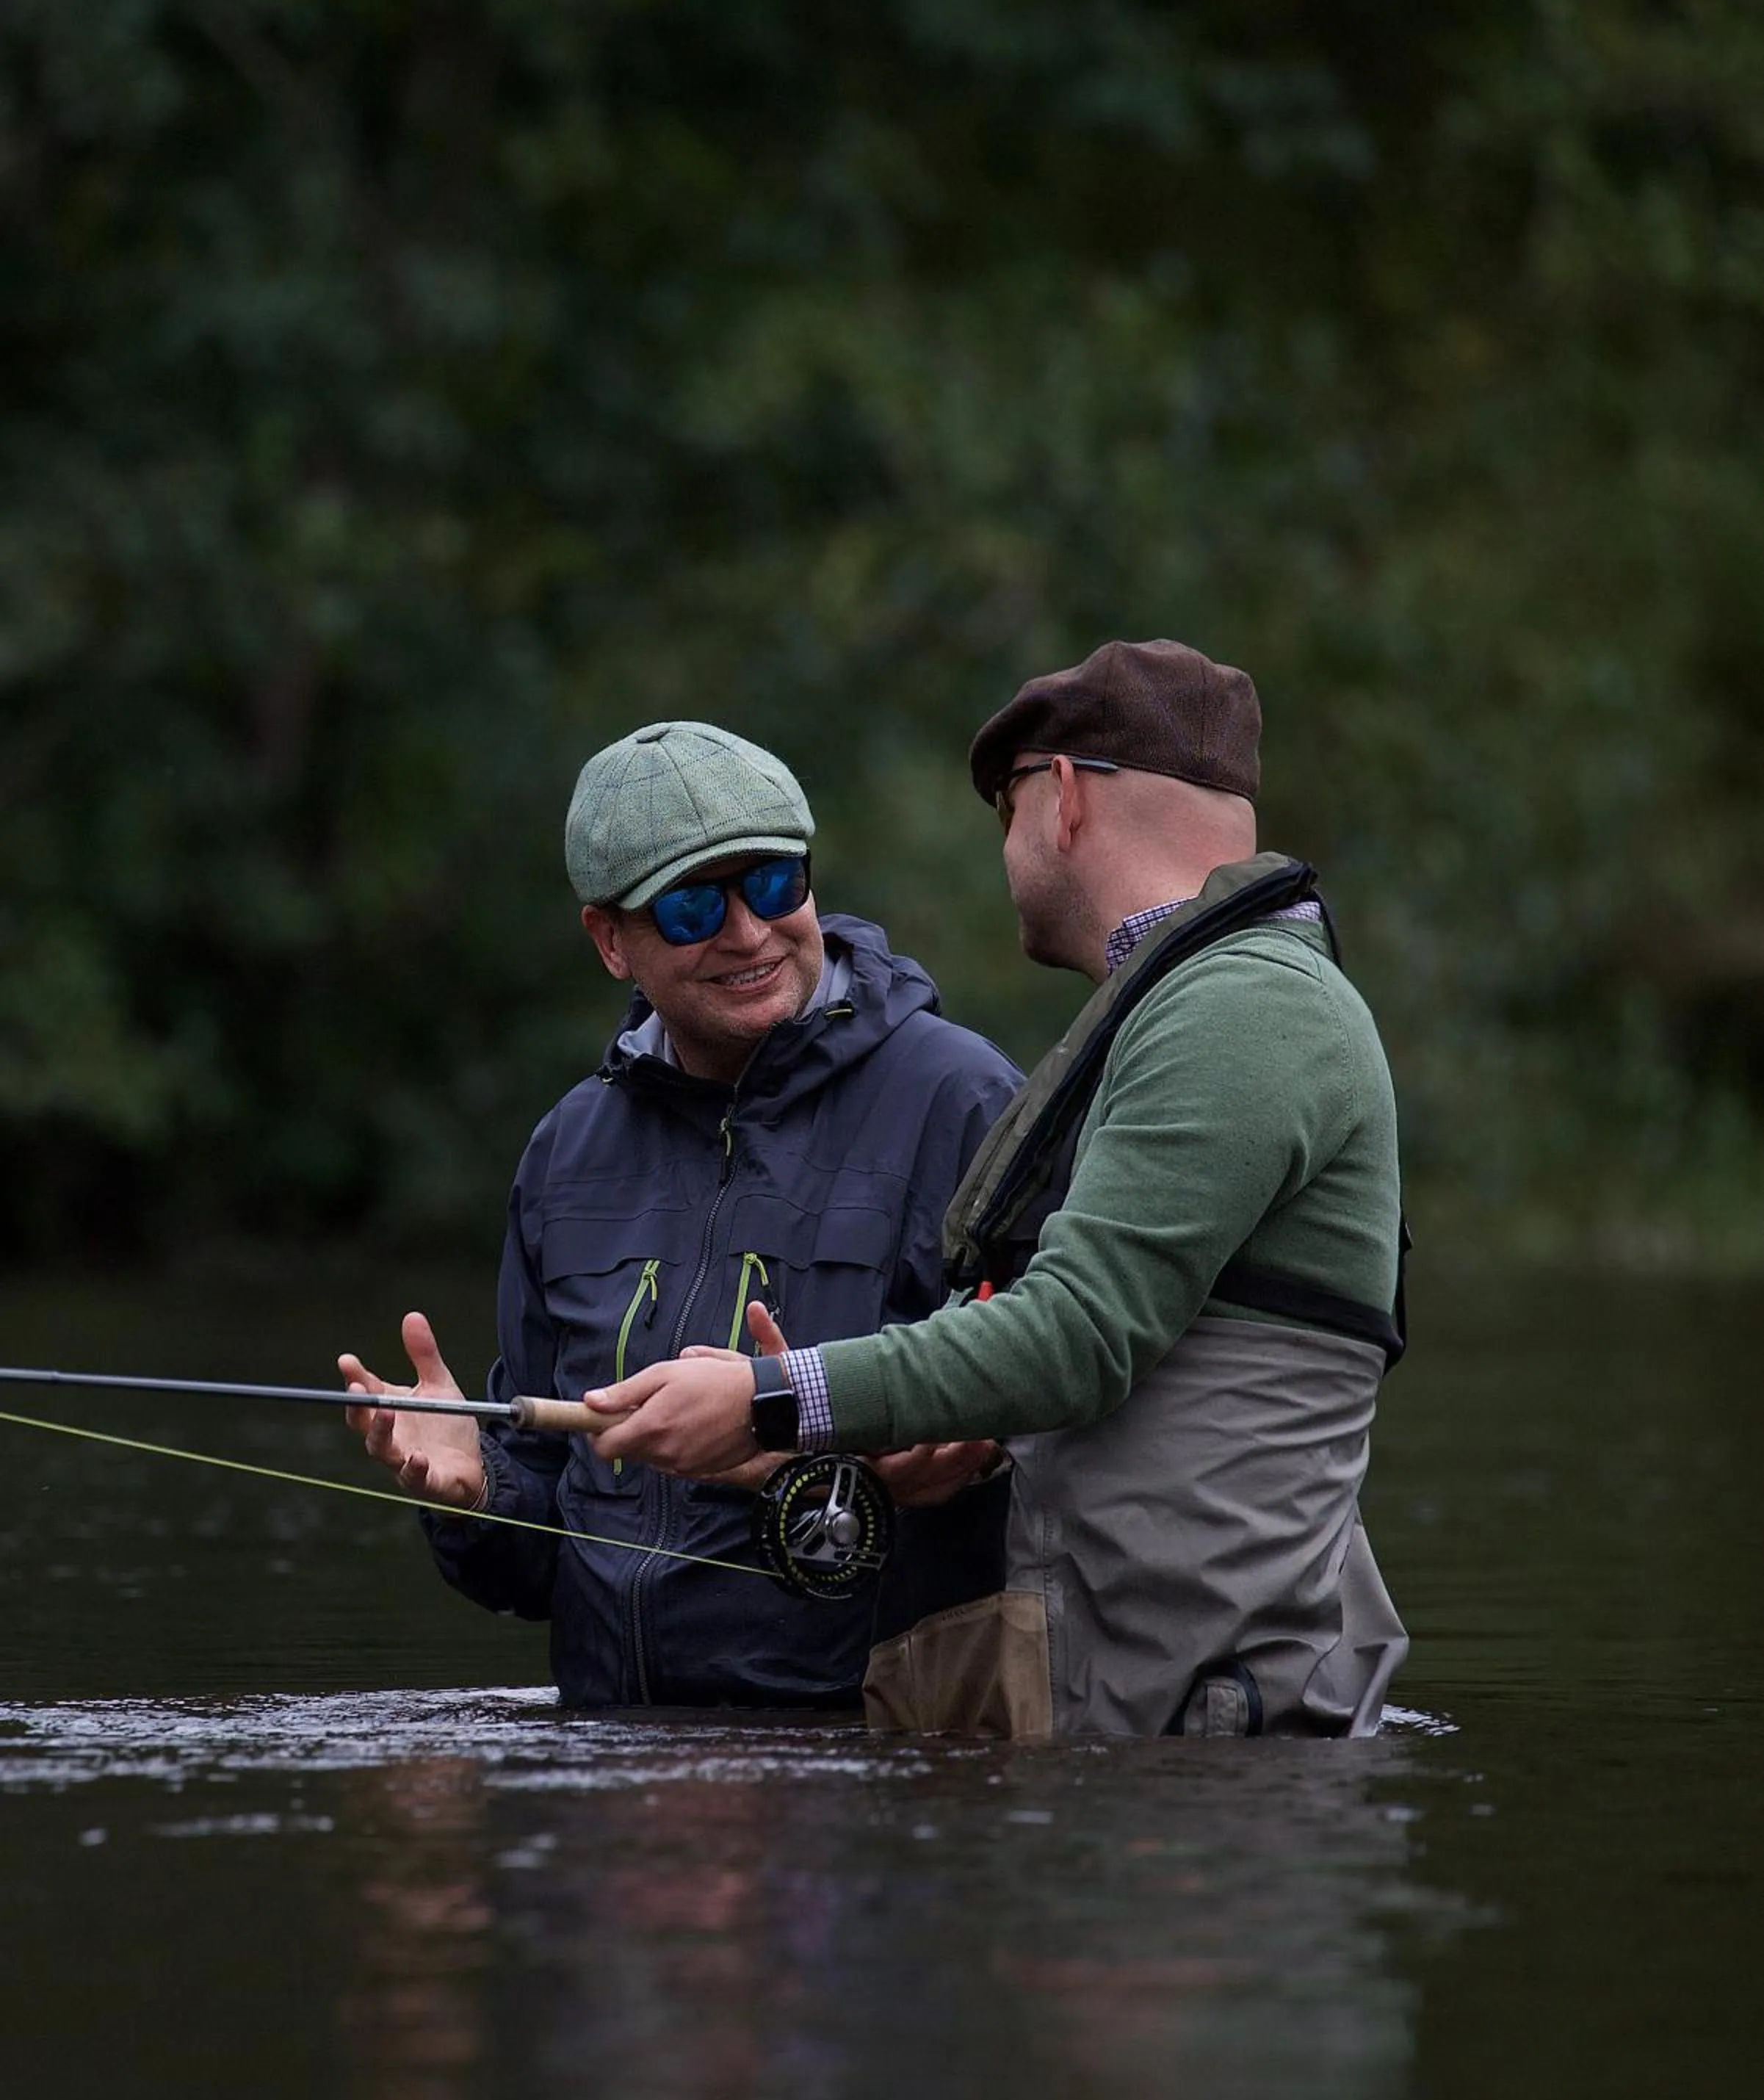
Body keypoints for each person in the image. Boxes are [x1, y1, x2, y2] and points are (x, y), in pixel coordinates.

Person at [584, 640, 1410, 1739]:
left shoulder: (1242, 1007)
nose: (1006, 850)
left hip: (1214, 1758)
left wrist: (776, 1398)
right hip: (1165, 1723)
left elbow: (1079, 1333)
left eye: (1004, 809)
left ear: (1060, 796)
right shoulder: (1204, 1001)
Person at [338, 719, 1022, 1711]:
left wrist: (945, 1455)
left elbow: (1066, 1423)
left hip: (876, 1765)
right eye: (694, 904)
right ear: (610, 939)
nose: (748, 932)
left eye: (777, 884)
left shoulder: (960, 1100)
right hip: (611, 1775)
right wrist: (477, 1492)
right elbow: (532, 1565)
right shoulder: (566, 1151)